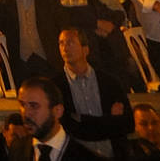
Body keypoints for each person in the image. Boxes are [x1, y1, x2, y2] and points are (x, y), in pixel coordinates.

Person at [54, 0, 139, 91]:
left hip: (112, 45)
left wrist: (110, 25)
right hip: (89, 48)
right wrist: (96, 24)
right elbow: (69, 17)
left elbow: (117, 11)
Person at [52, 28, 133, 159]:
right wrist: (109, 120)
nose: (65, 48)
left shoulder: (109, 82)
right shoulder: (56, 86)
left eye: (71, 42)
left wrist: (82, 120)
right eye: (61, 43)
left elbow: (127, 123)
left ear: (85, 49)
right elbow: (67, 127)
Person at [16, 75, 101, 159]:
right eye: (22, 105)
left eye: (34, 106)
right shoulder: (17, 149)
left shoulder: (85, 157)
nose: (26, 113)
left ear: (58, 111)